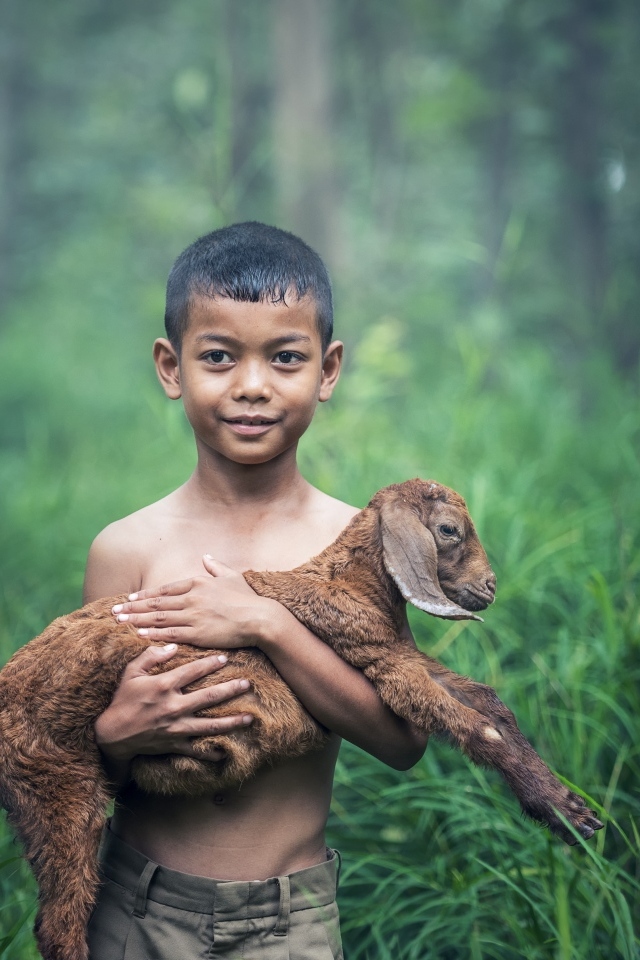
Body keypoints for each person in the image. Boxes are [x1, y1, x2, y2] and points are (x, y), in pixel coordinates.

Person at [83, 222, 428, 959]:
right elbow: (72, 762)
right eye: (218, 357)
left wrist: (269, 624)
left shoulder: (357, 546)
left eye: (285, 357)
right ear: (170, 367)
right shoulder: (127, 549)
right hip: (135, 910)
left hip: (290, 921)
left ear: (327, 370)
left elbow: (403, 740)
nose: (251, 385)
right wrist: (117, 738)